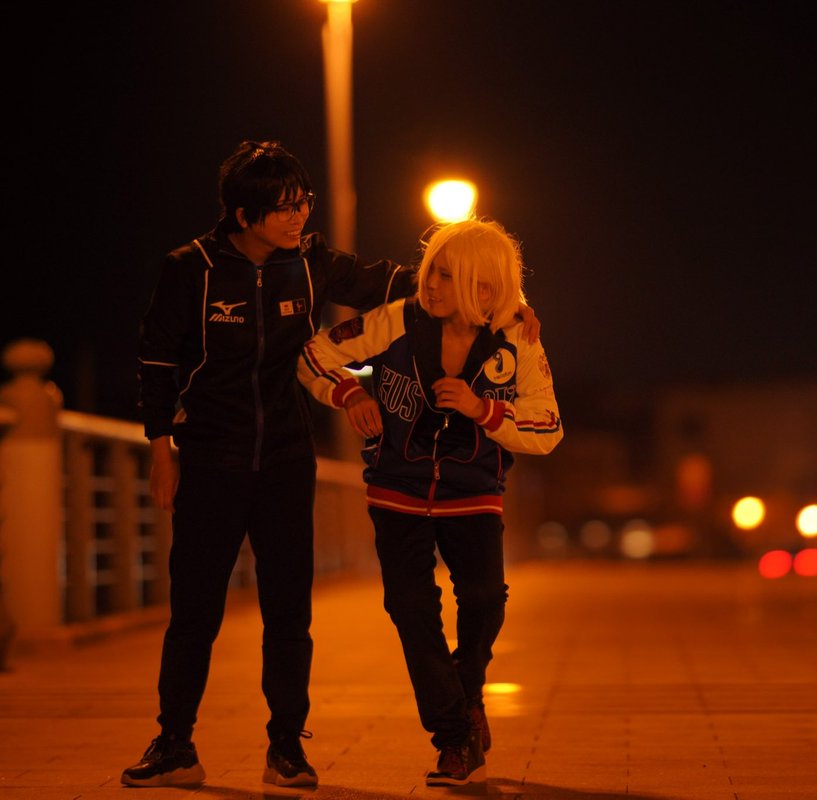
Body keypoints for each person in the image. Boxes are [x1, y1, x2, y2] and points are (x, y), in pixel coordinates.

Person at [122, 141, 539, 789]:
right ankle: (174, 743)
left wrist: (502, 302)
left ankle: (287, 748)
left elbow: (407, 283)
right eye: (284, 208)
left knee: (289, 611)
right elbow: (156, 361)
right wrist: (160, 449)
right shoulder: (189, 269)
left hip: (288, 458)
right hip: (208, 456)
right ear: (244, 214)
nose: (299, 217)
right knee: (194, 610)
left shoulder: (312, 262)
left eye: (304, 203)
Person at [296, 218, 563, 786]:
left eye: (445, 275)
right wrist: (349, 393)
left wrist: (483, 409)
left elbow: (547, 425)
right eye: (430, 271)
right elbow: (314, 355)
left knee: (485, 600)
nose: (429, 284)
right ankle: (454, 739)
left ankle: (467, 695)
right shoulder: (397, 319)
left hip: (474, 492)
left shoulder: (517, 338)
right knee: (411, 609)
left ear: (483, 289)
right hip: (396, 488)